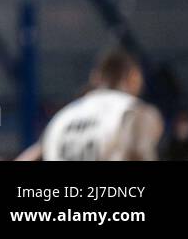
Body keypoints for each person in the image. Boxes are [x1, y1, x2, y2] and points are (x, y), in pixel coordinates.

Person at [17, 46, 163, 161]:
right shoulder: (133, 111)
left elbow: (30, 156)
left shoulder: (62, 117)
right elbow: (139, 154)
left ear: (95, 77)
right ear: (133, 77)